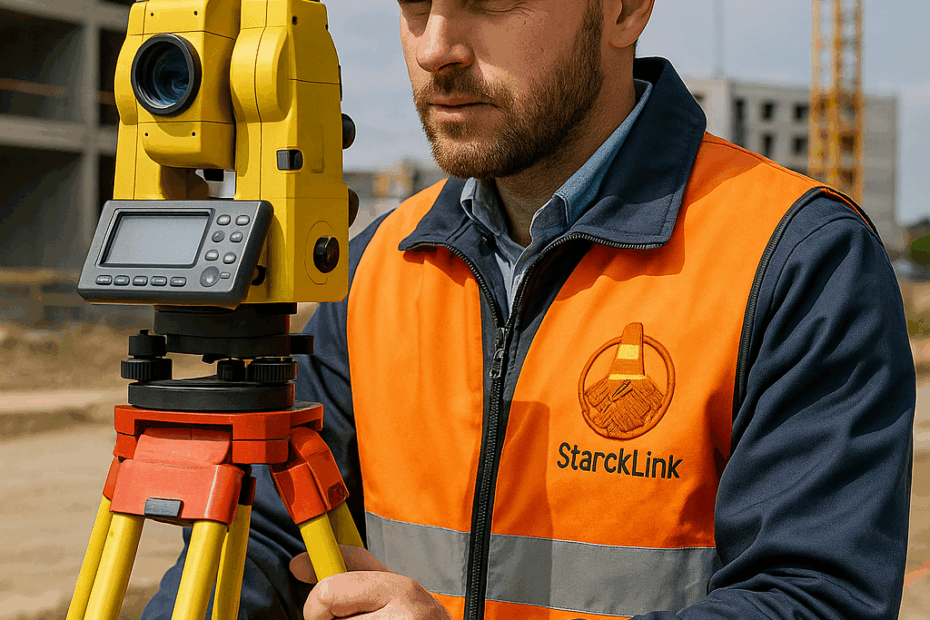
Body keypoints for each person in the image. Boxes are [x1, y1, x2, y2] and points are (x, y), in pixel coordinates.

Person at [142, 0, 915, 619]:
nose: (435, 47)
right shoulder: (380, 261)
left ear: (623, 10)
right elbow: (271, 538)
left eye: (491, 2)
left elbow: (814, 598)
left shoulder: (798, 258)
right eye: (416, 4)